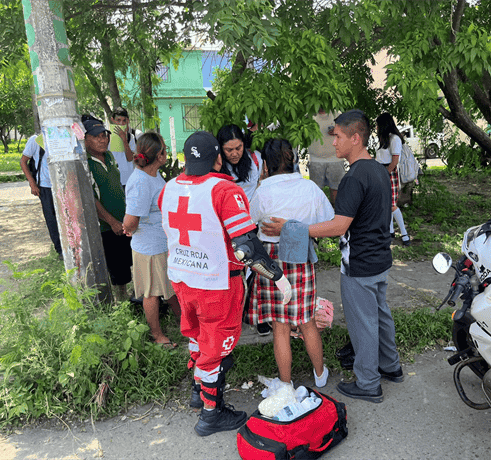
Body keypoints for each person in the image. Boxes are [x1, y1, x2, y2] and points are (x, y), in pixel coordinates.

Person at [263, 109, 402, 404]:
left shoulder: (354, 178)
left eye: (337, 136)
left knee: (363, 323)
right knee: (381, 315)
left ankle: (368, 383)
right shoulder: (379, 169)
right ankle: (392, 366)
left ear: (355, 138)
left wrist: (292, 227)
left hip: (359, 264)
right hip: (380, 259)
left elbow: (339, 225)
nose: (333, 142)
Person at [159, 131, 290, 436]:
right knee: (216, 349)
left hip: (182, 278)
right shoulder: (224, 190)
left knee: (197, 336)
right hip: (217, 283)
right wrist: (278, 277)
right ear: (218, 158)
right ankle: (210, 413)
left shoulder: (168, 189)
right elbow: (247, 246)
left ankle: (198, 390)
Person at [249, 138, 334, 388]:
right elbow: (329, 221)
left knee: (280, 327)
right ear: (294, 159)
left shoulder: (262, 191)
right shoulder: (309, 189)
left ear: (265, 164)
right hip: (300, 257)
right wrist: (298, 228)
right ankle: (320, 374)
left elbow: (248, 223)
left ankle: (285, 384)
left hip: (271, 260)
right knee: (307, 321)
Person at [122, 132, 182, 348]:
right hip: (148, 247)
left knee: (169, 285)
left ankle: (183, 321)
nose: (166, 152)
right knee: (151, 292)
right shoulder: (140, 181)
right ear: (159, 155)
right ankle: (157, 335)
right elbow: (130, 221)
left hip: (161, 243)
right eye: (164, 148)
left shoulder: (152, 175)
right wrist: (127, 228)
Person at [83, 115, 133, 301]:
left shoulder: (110, 156)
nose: (103, 139)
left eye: (104, 135)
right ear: (85, 139)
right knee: (115, 266)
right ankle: (120, 303)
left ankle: (127, 297)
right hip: (106, 225)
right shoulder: (85, 163)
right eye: (97, 136)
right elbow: (91, 199)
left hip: (122, 220)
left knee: (126, 261)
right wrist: (111, 221)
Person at [19, 134, 62, 258]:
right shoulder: (36, 139)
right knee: (51, 218)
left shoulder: (64, 136)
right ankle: (60, 250)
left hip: (63, 184)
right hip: (45, 186)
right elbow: (23, 161)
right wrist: (32, 183)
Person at [375, 113, 411, 246]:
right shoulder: (384, 138)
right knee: (386, 203)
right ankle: (390, 231)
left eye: (378, 124)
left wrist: (385, 173)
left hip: (389, 172)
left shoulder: (395, 139)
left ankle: (404, 233)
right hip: (382, 171)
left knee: (392, 205)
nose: (377, 127)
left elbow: (395, 161)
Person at [307, 109, 346, 205]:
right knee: (316, 192)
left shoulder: (337, 114)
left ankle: (337, 215)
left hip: (335, 158)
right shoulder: (309, 115)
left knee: (336, 190)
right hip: (316, 159)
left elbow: (347, 134)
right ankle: (318, 217)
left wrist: (337, 131)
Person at [216, 124, 263, 201]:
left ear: (243, 144)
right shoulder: (216, 166)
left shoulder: (255, 159)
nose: (234, 154)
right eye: (229, 150)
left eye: (238, 148)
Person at [109, 107, 137, 188]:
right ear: (112, 120)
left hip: (128, 179)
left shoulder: (130, 137)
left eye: (124, 120)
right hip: (114, 180)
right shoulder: (106, 137)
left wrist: (124, 139)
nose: (121, 123)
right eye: (118, 120)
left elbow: (130, 158)